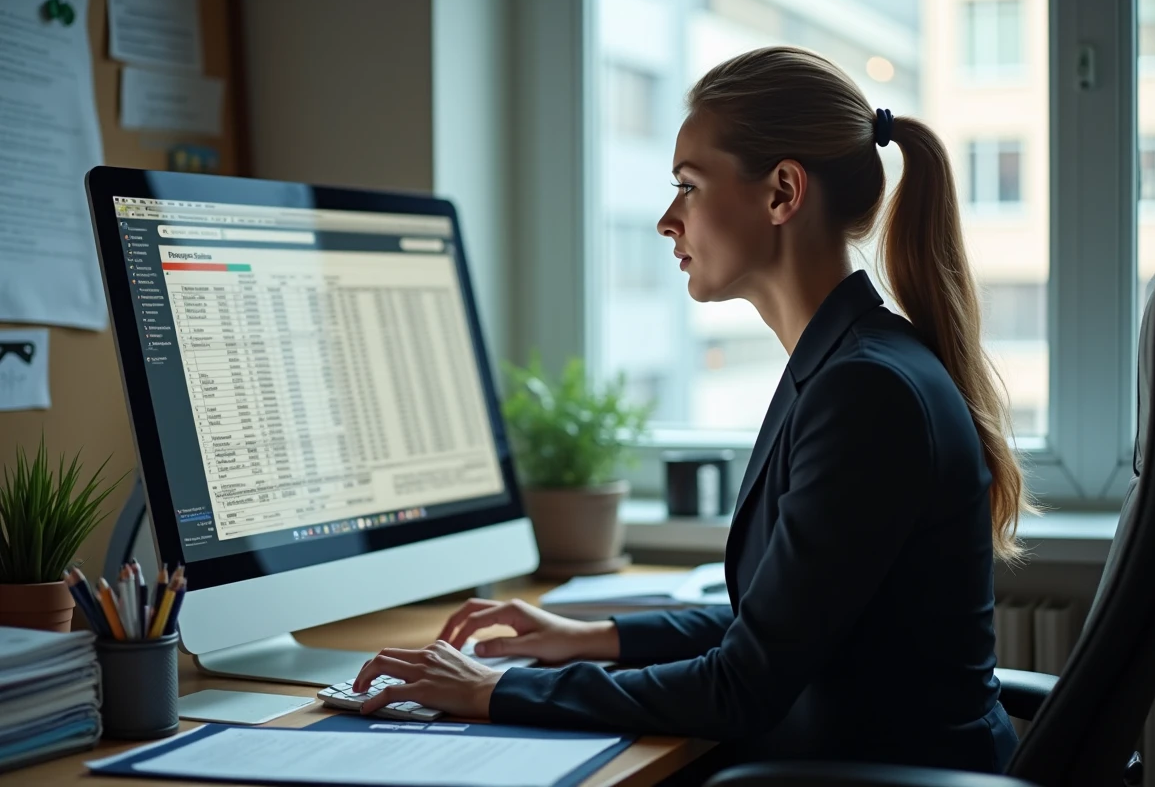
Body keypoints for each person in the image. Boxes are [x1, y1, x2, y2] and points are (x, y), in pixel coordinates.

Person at [352, 46, 1028, 775]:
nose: (667, 220)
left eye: (689, 186)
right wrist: (587, 636)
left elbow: (739, 688)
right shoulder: (849, 365)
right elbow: (770, 625)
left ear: (781, 193)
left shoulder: (867, 392)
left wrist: (500, 688)